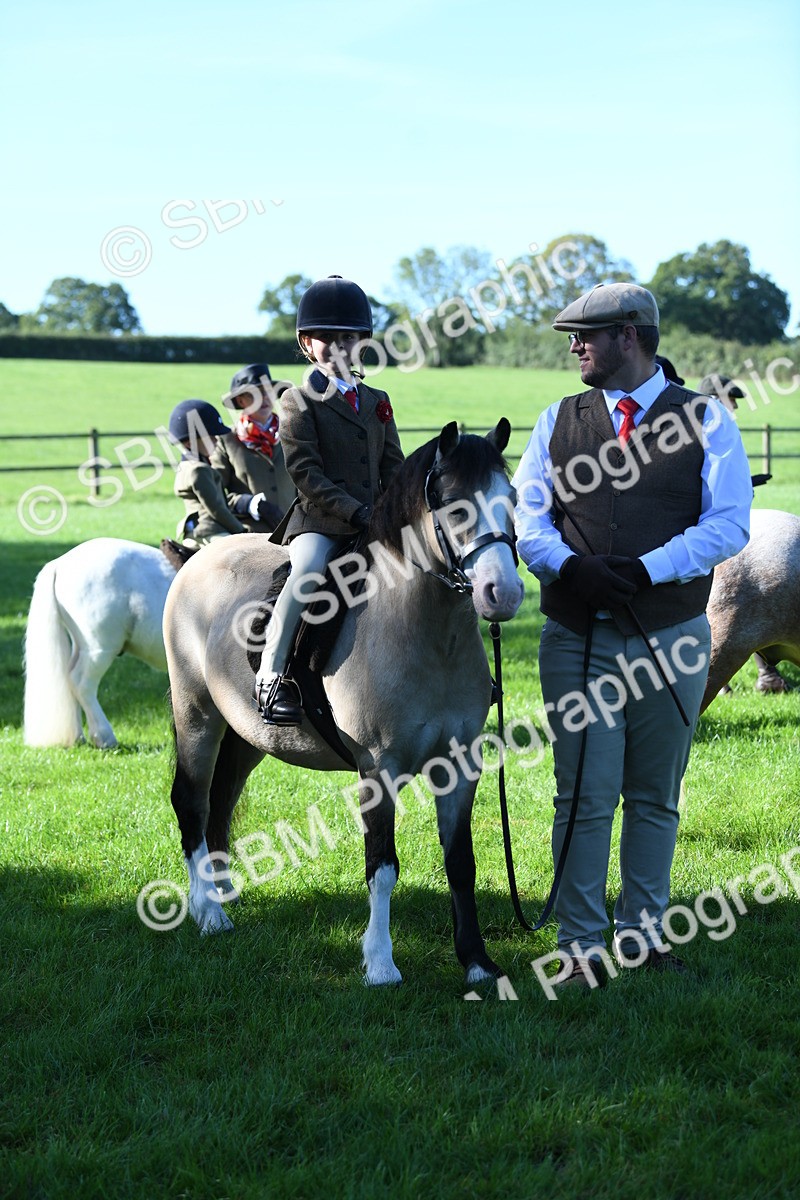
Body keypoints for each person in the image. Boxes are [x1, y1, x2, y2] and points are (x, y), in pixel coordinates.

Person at [513, 283, 752, 989]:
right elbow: (529, 517)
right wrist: (568, 567)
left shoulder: (706, 420)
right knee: (582, 793)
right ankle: (581, 944)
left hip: (673, 635)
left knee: (654, 794)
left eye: (585, 334)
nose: (574, 346)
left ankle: (644, 937)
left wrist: (647, 570)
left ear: (629, 335)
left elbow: (729, 523)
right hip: (575, 635)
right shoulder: (556, 419)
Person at [253, 275, 405, 726]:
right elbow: (305, 473)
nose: (340, 347)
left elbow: (394, 464)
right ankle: (272, 675)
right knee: (308, 571)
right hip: (320, 521)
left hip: (376, 518)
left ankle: (448, 670)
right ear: (306, 343)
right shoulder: (297, 400)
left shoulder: (378, 399)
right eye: (329, 339)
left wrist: (399, 509)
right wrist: (358, 513)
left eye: (350, 338)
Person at [699, 373, 788, 694]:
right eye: (730, 400)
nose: (734, 407)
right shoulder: (701, 429)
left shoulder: (717, 427)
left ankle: (766, 675)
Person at [210, 363, 296, 534]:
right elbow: (214, 494)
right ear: (241, 400)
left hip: (294, 531)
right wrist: (251, 504)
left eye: (268, 391)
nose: (264, 398)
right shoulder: (226, 441)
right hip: (249, 535)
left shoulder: (293, 433)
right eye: (254, 394)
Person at [169, 399, 252, 546]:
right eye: (210, 436)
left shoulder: (185, 467)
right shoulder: (199, 470)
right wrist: (241, 531)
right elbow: (217, 509)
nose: (216, 440)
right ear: (189, 442)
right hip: (211, 531)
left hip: (194, 530)